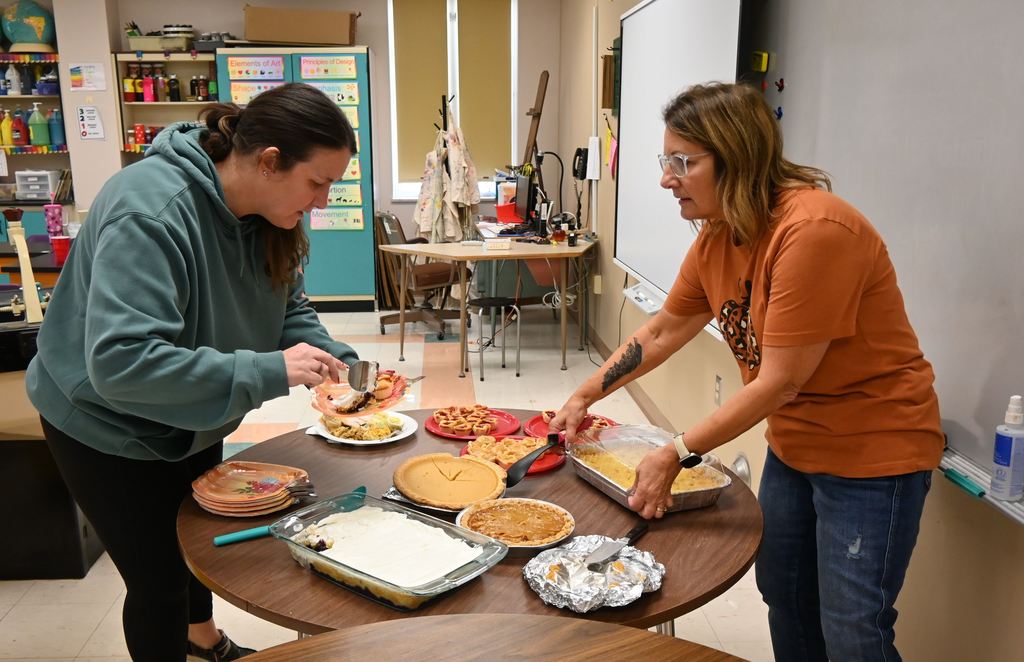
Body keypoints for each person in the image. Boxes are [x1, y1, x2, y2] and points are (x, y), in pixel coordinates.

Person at [551, 82, 942, 662]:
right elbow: (660, 332)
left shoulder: (813, 232)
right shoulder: (719, 236)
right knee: (783, 593)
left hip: (872, 456)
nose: (666, 179)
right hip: (796, 446)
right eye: (666, 161)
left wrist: (675, 450)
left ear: (737, 158)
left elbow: (782, 380)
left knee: (853, 627)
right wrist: (585, 393)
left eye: (683, 162)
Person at [25, 83, 360, 661]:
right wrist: (269, 369)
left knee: (196, 545)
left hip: (191, 409)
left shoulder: (265, 213)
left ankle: (202, 639)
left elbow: (288, 307)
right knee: (157, 582)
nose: (323, 201)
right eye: (318, 183)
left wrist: (334, 361)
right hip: (105, 425)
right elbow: (121, 364)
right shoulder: (150, 211)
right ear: (269, 161)